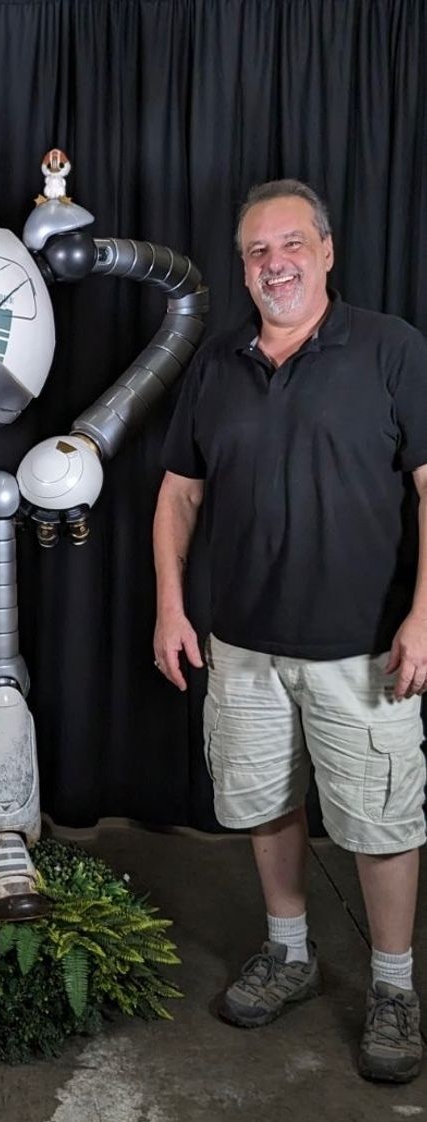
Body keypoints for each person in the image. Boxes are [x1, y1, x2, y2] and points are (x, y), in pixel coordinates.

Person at [153, 179, 426, 1084]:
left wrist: (426, 616)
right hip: (242, 648)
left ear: (327, 251)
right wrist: (169, 602)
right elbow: (179, 493)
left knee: (382, 822)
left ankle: (392, 988)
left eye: (291, 246)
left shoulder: (390, 349)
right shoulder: (217, 365)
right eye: (258, 254)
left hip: (366, 651)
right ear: (244, 269)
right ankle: (291, 953)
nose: (276, 265)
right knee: (267, 801)